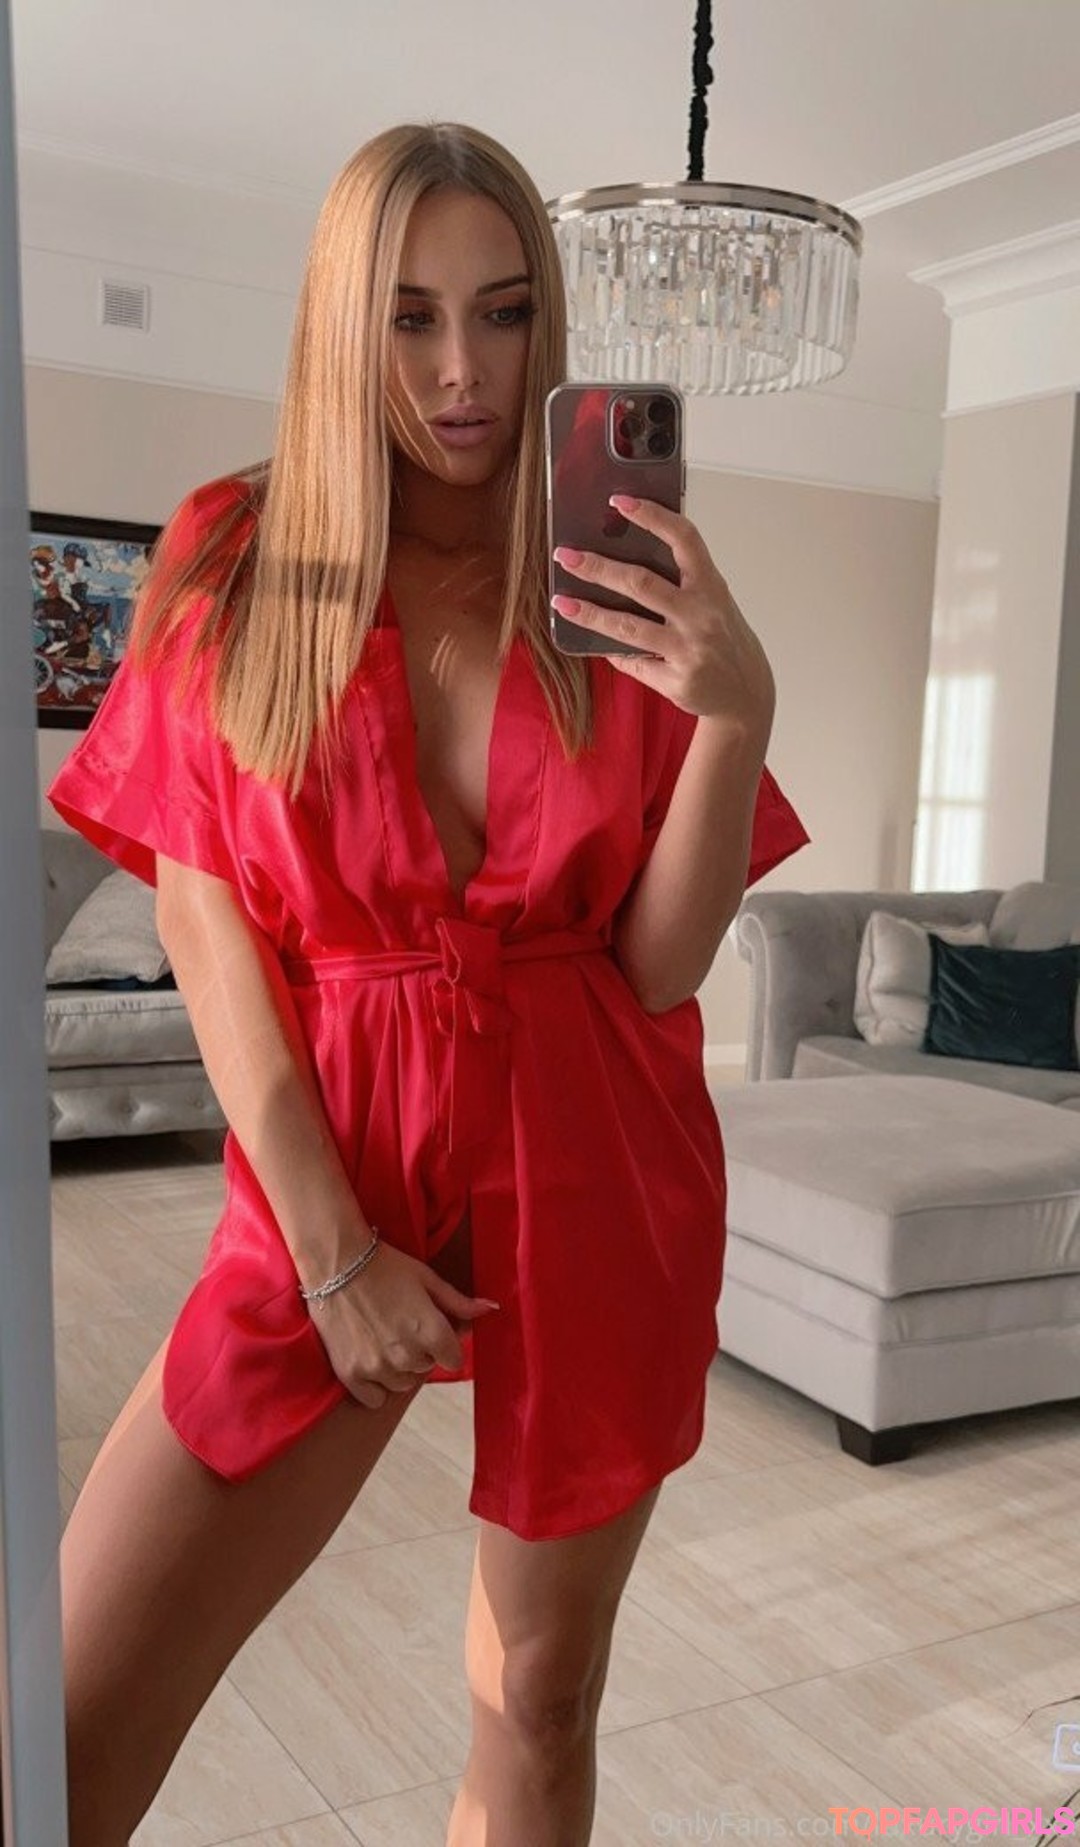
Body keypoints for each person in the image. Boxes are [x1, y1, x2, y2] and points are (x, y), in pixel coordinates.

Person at [49, 121, 808, 1847]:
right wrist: (328, 1250)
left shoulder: (612, 568)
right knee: (69, 1721)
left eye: (504, 310)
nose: (463, 370)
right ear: (343, 322)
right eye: (408, 316)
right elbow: (206, 923)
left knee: (537, 1701)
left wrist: (737, 714)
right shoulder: (237, 553)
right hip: (334, 1173)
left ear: (551, 322)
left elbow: (657, 965)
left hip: (595, 1165)